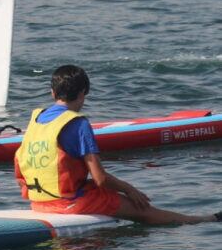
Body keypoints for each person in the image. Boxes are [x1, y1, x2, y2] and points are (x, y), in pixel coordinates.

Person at [15, 65, 220, 225]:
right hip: (67, 204)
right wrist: (130, 189)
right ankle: (205, 220)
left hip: (38, 203)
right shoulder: (77, 123)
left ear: (52, 93)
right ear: (83, 92)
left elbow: (21, 169)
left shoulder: (36, 120)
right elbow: (101, 179)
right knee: (145, 211)